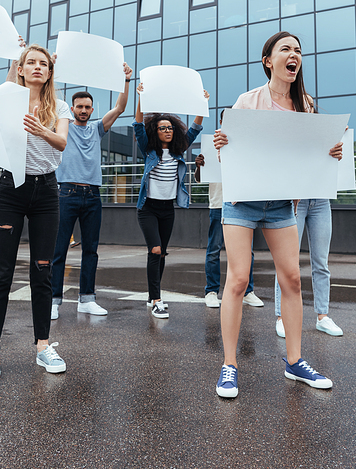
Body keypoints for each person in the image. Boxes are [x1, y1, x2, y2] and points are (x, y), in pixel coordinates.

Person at [213, 31, 343, 397]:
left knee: (292, 280)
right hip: (243, 202)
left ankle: (295, 362)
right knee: (238, 280)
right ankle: (229, 365)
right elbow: (228, 150)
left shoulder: (306, 104)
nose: (294, 54)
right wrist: (222, 143)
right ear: (269, 60)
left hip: (282, 205)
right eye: (285, 49)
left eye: (298, 50)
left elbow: (313, 155)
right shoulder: (247, 99)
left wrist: (331, 154)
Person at [0, 44, 71, 382]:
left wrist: (40, 129)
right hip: (10, 189)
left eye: (42, 64)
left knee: (42, 272)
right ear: (20, 68)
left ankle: (43, 346)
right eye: (30, 62)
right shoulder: (5, 99)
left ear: (49, 71)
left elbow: (60, 143)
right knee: (1, 272)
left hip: (46, 192)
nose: (36, 67)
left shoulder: (59, 106)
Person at [51, 63, 133, 320]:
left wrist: (126, 80)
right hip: (66, 193)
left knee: (91, 250)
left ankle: (87, 299)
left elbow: (120, 108)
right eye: (79, 107)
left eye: (88, 107)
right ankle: (53, 300)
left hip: (93, 195)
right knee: (59, 249)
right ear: (72, 108)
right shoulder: (63, 125)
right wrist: (52, 70)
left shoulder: (97, 129)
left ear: (92, 109)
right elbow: (51, 100)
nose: (84, 110)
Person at [133, 84, 206, 319]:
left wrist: (202, 105)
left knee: (161, 253)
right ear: (155, 131)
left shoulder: (178, 151)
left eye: (170, 128)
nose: (167, 131)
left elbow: (195, 129)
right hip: (148, 208)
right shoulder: (149, 150)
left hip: (168, 209)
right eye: (162, 128)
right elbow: (137, 126)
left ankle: (151, 293)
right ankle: (156, 300)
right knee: (154, 250)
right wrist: (141, 98)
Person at [194, 110, 263, 308]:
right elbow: (199, 179)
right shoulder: (212, 142)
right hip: (219, 204)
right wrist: (200, 166)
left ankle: (247, 291)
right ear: (221, 121)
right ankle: (211, 291)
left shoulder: (247, 143)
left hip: (242, 204)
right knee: (214, 249)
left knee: (247, 252)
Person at [274, 199, 343, 338]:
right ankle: (282, 317)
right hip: (295, 199)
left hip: (321, 200)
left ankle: (322, 317)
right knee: (286, 263)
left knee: (321, 263)